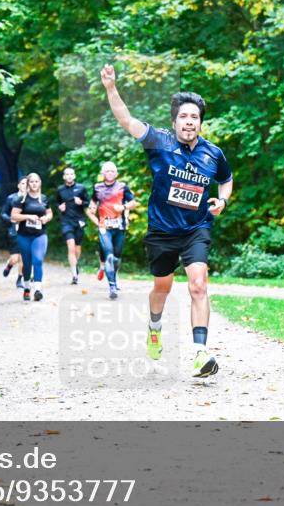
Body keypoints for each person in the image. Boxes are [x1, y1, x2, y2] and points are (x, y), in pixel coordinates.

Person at [100, 64, 233, 378]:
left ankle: (200, 352)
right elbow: (126, 119)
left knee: (198, 285)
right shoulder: (158, 141)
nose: (189, 122)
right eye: (184, 117)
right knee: (163, 286)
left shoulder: (213, 154)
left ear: (200, 122)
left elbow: (226, 181)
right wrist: (110, 88)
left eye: (195, 117)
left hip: (196, 228)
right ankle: (154, 326)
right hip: (161, 231)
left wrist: (222, 201)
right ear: (175, 121)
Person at [86, 161, 138, 300]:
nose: (109, 173)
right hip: (105, 228)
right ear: (102, 174)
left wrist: (123, 208)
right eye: (107, 171)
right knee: (109, 255)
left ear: (116, 173)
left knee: (116, 257)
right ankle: (112, 286)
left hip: (119, 227)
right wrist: (97, 221)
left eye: (112, 171)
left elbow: (133, 203)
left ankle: (110, 274)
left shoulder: (122, 187)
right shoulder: (97, 188)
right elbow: (91, 208)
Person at [10, 172, 53, 301]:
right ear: (28, 184)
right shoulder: (21, 199)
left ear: (40, 183)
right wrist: (28, 216)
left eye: (36, 181)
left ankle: (38, 290)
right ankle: (27, 287)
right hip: (24, 235)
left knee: (38, 260)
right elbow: (14, 216)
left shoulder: (44, 198)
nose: (34, 184)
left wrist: (46, 218)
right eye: (32, 182)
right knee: (27, 264)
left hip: (40, 235)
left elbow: (50, 213)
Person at [55, 167, 89, 285]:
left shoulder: (81, 188)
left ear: (74, 176)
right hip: (66, 221)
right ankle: (74, 275)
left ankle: (75, 264)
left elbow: (88, 202)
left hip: (79, 221)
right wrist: (60, 207)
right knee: (70, 246)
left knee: (77, 248)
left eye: (71, 174)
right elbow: (57, 202)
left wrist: (82, 202)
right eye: (67, 174)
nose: (69, 176)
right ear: (64, 177)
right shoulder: (60, 190)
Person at [0, 178, 27, 288]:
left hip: (27, 230)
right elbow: (3, 213)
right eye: (23, 183)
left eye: (27, 183)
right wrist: (11, 219)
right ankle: (9, 265)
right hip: (14, 230)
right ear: (18, 185)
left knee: (23, 257)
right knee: (15, 258)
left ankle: (19, 280)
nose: (25, 185)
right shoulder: (11, 198)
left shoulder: (32, 198)